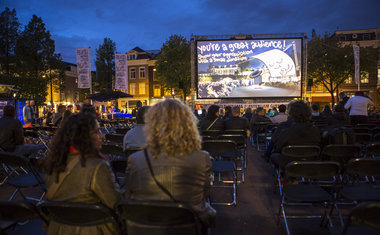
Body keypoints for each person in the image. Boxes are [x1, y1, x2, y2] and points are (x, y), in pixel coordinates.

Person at [124, 99, 216, 230]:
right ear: (188, 124)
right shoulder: (202, 158)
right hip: (187, 227)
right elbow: (204, 193)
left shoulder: (135, 159)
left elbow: (130, 194)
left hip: (145, 227)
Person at [42, 113, 121, 235]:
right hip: (92, 229)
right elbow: (115, 203)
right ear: (84, 137)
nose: (102, 135)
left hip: (58, 228)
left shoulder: (54, 162)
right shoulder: (97, 166)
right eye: (96, 132)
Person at [271, 101, 321, 165]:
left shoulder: (286, 131)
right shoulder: (316, 130)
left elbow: (278, 147)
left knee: (273, 156)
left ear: (291, 114)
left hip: (289, 162)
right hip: (310, 161)